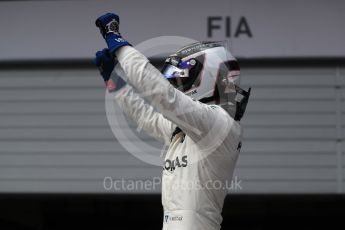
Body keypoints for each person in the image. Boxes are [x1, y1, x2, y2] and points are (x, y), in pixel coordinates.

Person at [94, 13, 250, 230]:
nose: (178, 84)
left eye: (183, 76)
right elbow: (145, 116)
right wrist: (114, 82)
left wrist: (118, 43)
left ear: (210, 75)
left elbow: (163, 96)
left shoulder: (219, 125)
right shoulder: (190, 129)